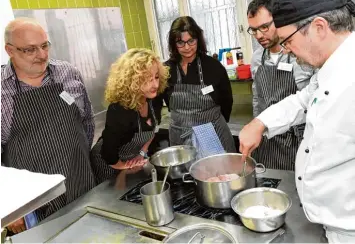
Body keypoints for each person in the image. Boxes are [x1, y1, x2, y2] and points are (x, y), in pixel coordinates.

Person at [239, 0, 355, 242]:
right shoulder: (330, 68)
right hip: (329, 223)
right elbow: (303, 99)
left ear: (319, 27)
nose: (288, 51)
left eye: (288, 40)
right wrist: (260, 123)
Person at [1, 18, 96, 232]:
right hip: (33, 204)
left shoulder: (68, 73)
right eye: (30, 49)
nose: (42, 55)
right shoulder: (1, 92)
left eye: (45, 46)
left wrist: (77, 157)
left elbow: (87, 121)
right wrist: (8, 207)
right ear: (10, 50)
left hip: (81, 184)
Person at [247, 0, 314, 170]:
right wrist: (256, 124)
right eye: (253, 30)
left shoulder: (298, 54)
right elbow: (257, 97)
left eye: (264, 27)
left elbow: (309, 101)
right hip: (267, 138)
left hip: (294, 139)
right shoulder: (257, 58)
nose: (259, 35)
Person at [157, 16, 236, 154]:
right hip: (180, 137)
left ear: (198, 40)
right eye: (180, 42)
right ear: (173, 43)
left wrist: (210, 121)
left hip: (213, 134)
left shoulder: (213, 67)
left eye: (191, 41)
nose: (187, 47)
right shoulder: (165, 70)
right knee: (184, 175)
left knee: (219, 174)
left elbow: (226, 100)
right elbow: (158, 101)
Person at [90, 48, 169, 184]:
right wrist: (123, 166)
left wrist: (142, 153)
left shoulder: (153, 99)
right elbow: (108, 153)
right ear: (132, 81)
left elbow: (154, 130)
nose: (155, 84)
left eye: (156, 77)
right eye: (147, 79)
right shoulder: (119, 110)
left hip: (132, 157)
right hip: (108, 162)